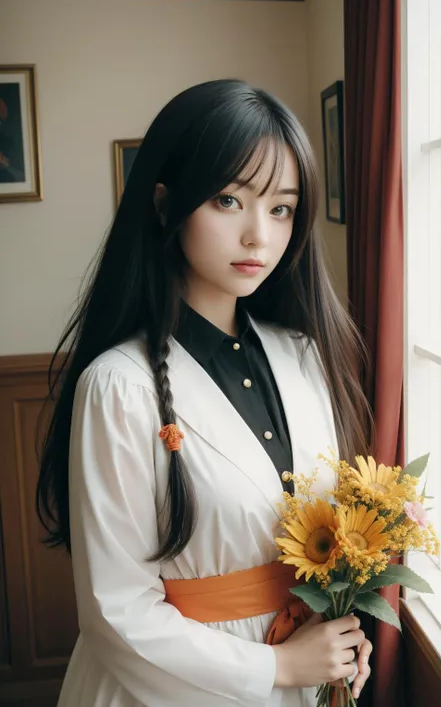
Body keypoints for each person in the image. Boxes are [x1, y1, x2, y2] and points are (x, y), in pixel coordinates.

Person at [36, 79, 374, 707]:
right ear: (165, 206)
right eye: (227, 200)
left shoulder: (305, 356)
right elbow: (116, 612)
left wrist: (339, 637)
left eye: (281, 208)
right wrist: (275, 667)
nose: (259, 236)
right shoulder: (118, 385)